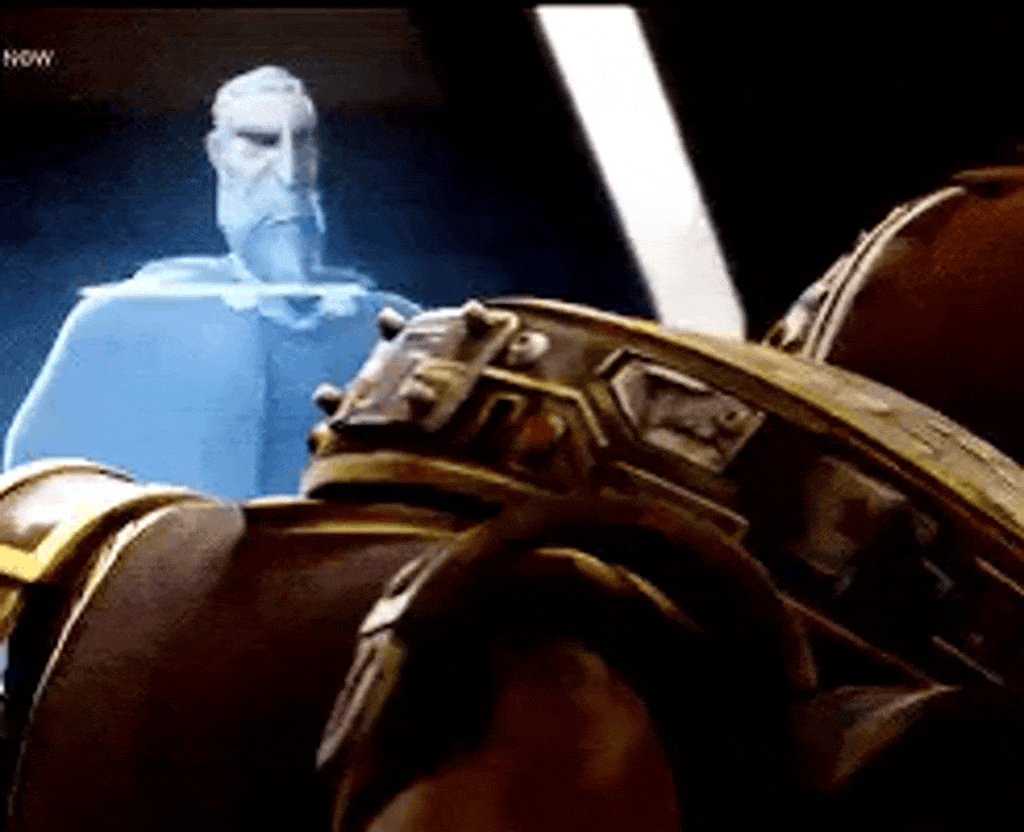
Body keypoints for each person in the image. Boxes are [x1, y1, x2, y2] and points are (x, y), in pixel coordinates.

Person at [3, 66, 420, 497]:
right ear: (218, 153)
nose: (290, 172)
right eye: (260, 142)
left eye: (303, 142)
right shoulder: (118, 322)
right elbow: (30, 495)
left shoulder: (397, 330)